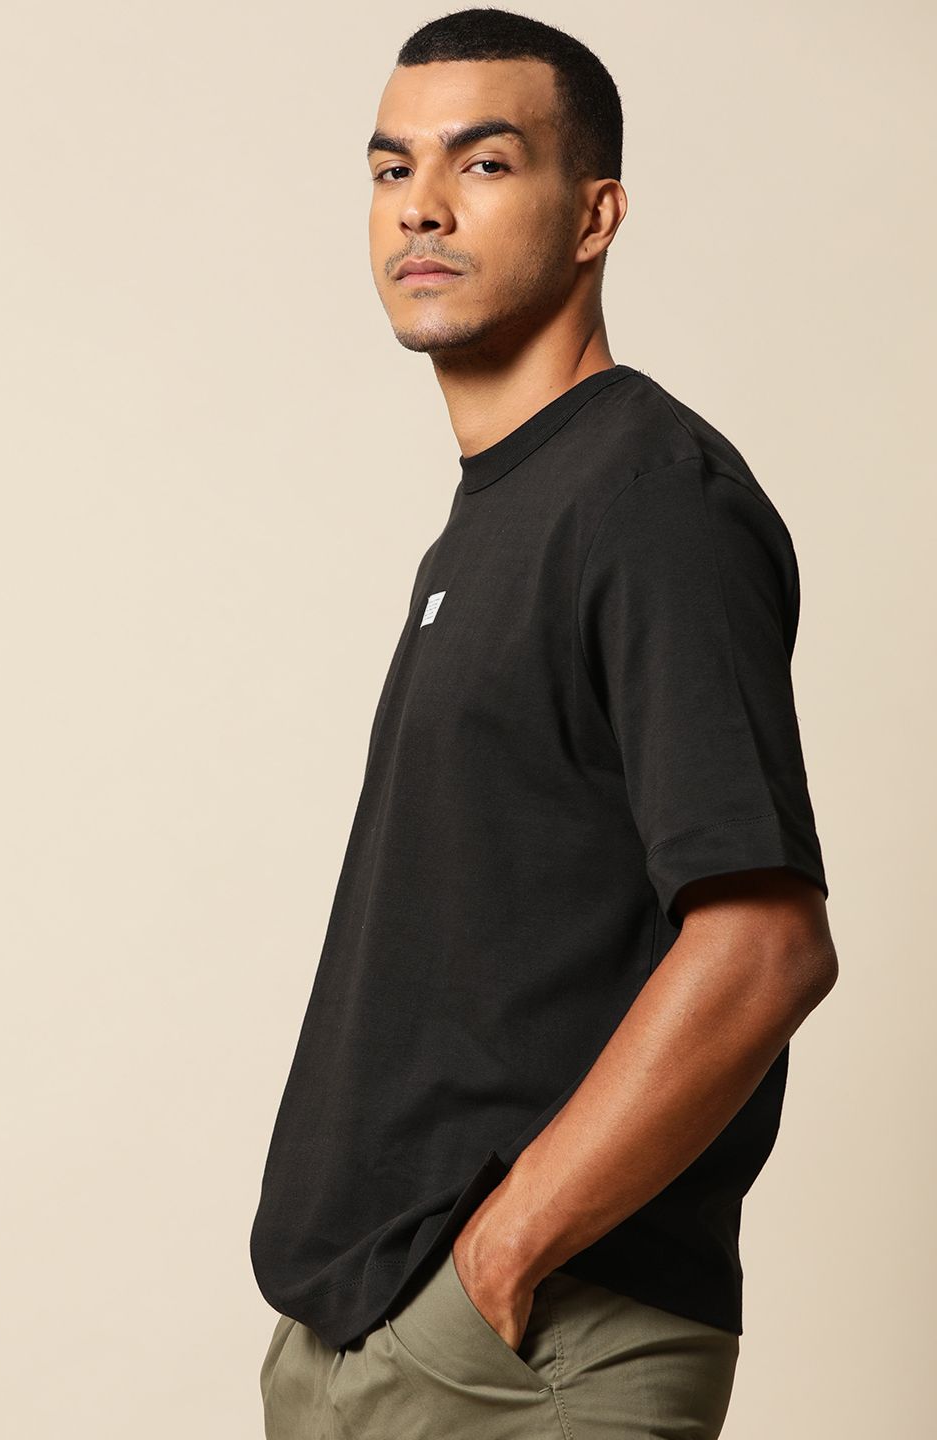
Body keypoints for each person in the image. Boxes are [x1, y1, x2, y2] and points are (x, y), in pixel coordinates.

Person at [250, 8, 838, 1437]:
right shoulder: (505, 516)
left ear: (595, 215)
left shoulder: (649, 499)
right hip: (377, 1344)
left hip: (533, 1357)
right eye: (390, 170)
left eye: (484, 163)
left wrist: (497, 1270)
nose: (422, 207)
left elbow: (763, 946)